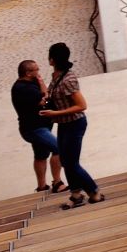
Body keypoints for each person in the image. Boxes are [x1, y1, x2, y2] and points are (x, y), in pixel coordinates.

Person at [37, 43, 100, 208]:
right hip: (64, 124)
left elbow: (81, 105)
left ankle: (94, 192)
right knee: (66, 161)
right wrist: (46, 97)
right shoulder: (57, 76)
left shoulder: (68, 79)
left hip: (75, 123)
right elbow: (54, 94)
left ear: (52, 59)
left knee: (71, 163)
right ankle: (76, 194)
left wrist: (55, 113)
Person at [11, 59, 64, 194]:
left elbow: (46, 95)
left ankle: (41, 187)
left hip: (40, 126)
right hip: (34, 128)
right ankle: (57, 182)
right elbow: (44, 101)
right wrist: (44, 91)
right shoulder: (22, 88)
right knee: (59, 148)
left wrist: (41, 85)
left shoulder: (31, 83)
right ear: (28, 73)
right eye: (36, 70)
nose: (39, 72)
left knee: (41, 155)